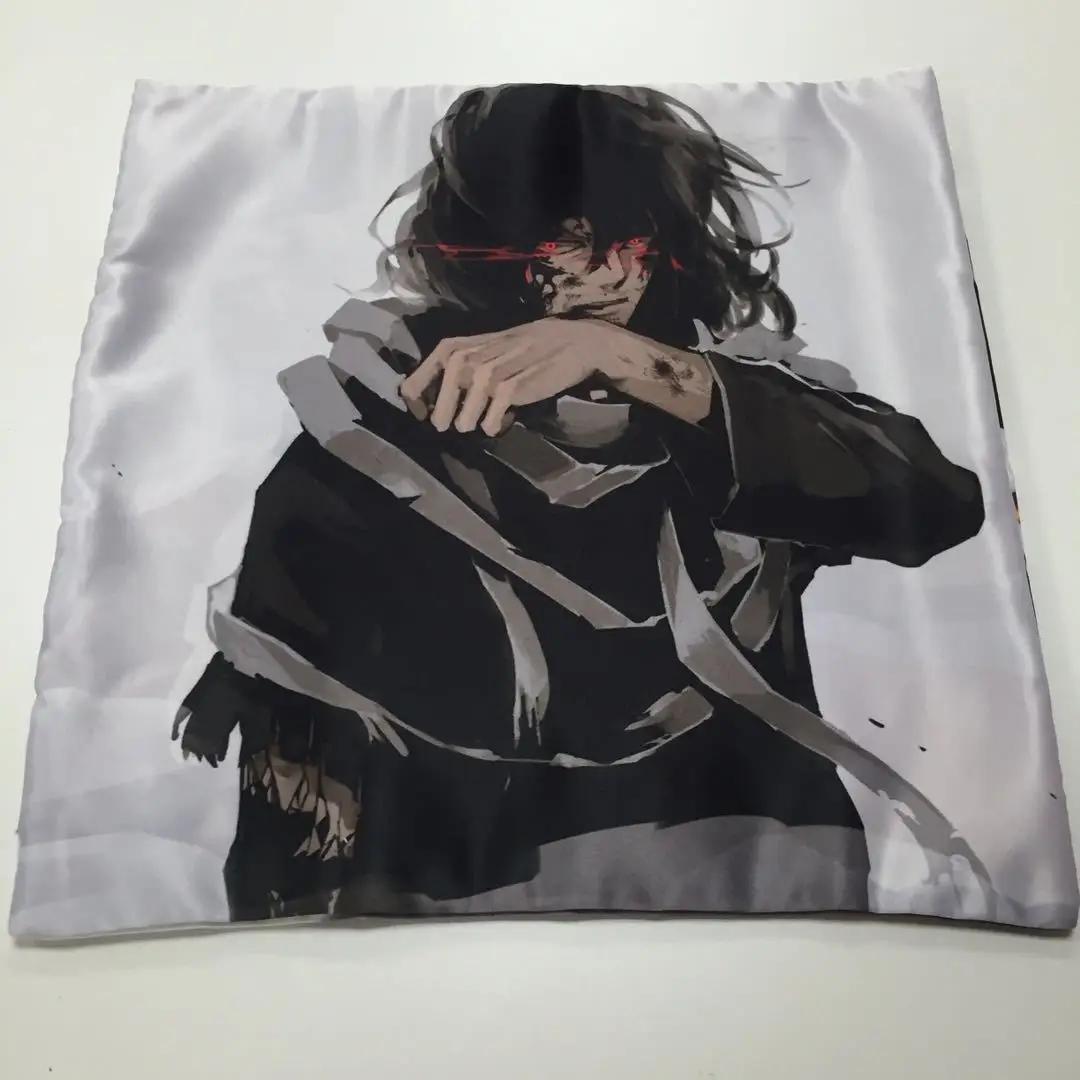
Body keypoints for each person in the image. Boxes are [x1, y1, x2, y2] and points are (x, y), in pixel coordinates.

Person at [174, 83, 986, 922]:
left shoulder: (731, 403)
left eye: (628, 239)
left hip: (767, 883)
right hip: (459, 910)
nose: (601, 273)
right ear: (475, 248)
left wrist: (624, 359)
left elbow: (937, 502)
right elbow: (296, 820)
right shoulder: (357, 446)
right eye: (555, 241)